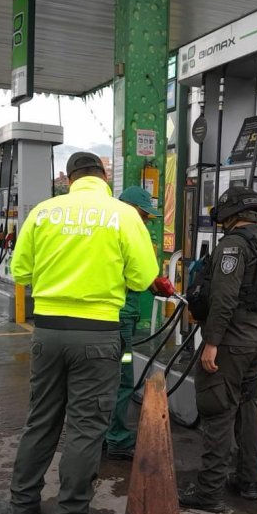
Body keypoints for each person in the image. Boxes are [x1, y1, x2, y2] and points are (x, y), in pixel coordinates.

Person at [8, 152, 160, 514]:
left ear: (70, 178)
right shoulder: (123, 215)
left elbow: (20, 272)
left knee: (41, 420)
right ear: (104, 177)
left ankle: (21, 508)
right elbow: (144, 277)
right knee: (85, 428)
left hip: (47, 332)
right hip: (97, 334)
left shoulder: (43, 213)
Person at [180, 186, 257, 512]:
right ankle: (248, 482)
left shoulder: (233, 248)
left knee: (218, 413)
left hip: (231, 344)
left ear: (229, 215)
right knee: (247, 408)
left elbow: (224, 300)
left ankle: (208, 492)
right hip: (256, 341)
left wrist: (211, 344)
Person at [104, 186, 161, 461]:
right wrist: (158, 284)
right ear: (131, 209)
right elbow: (143, 276)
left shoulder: (103, 231)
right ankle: (116, 438)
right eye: (144, 215)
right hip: (121, 320)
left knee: (99, 380)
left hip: (99, 318)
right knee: (123, 380)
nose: (146, 222)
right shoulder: (128, 234)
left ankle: (100, 436)